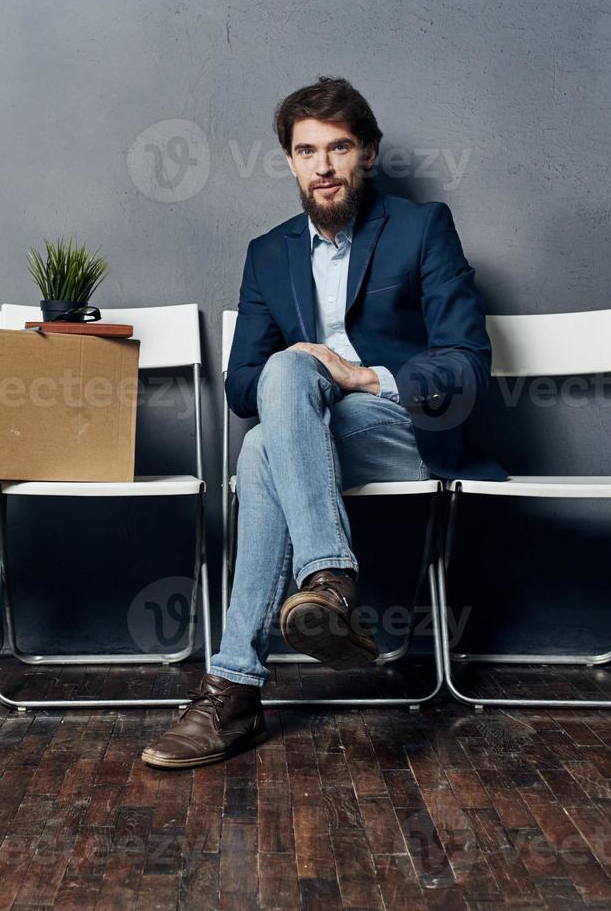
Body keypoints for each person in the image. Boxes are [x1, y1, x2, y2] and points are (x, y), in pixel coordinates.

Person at [141, 77, 503, 770]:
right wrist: (304, 365)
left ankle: (234, 689)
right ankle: (327, 585)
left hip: (402, 429)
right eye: (307, 150)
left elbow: (465, 363)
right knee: (271, 411)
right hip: (307, 433)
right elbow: (243, 386)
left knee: (263, 448)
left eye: (338, 147)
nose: (323, 165)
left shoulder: (422, 227)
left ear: (367, 153)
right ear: (288, 160)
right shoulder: (267, 252)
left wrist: (359, 375)